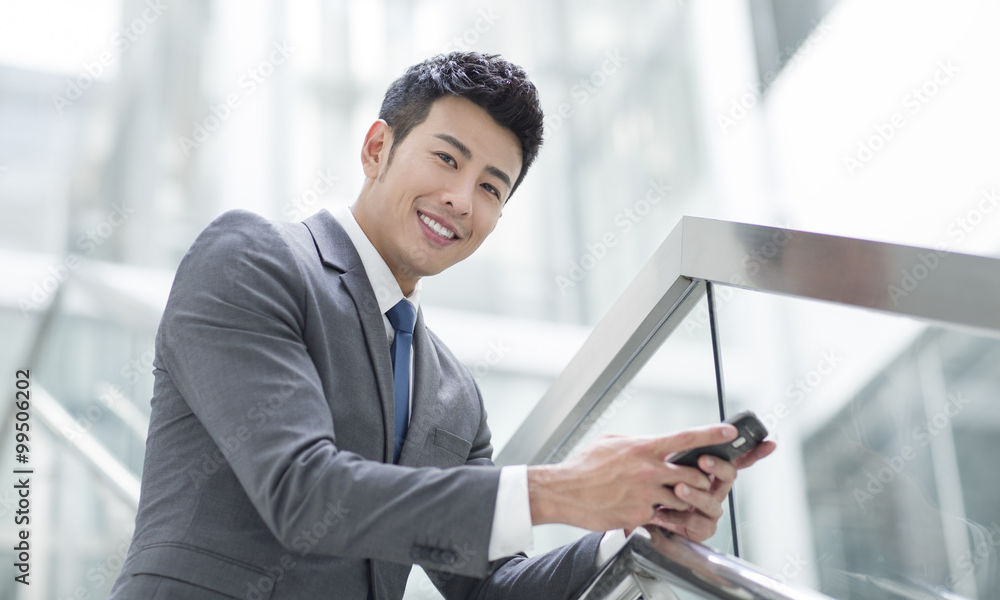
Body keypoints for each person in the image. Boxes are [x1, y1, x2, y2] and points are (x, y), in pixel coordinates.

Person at [109, 51, 774, 599]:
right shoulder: (252, 259)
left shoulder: (452, 389)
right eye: (447, 159)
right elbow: (303, 493)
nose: (461, 199)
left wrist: (628, 525)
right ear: (377, 148)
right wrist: (563, 488)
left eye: (492, 187)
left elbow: (493, 589)